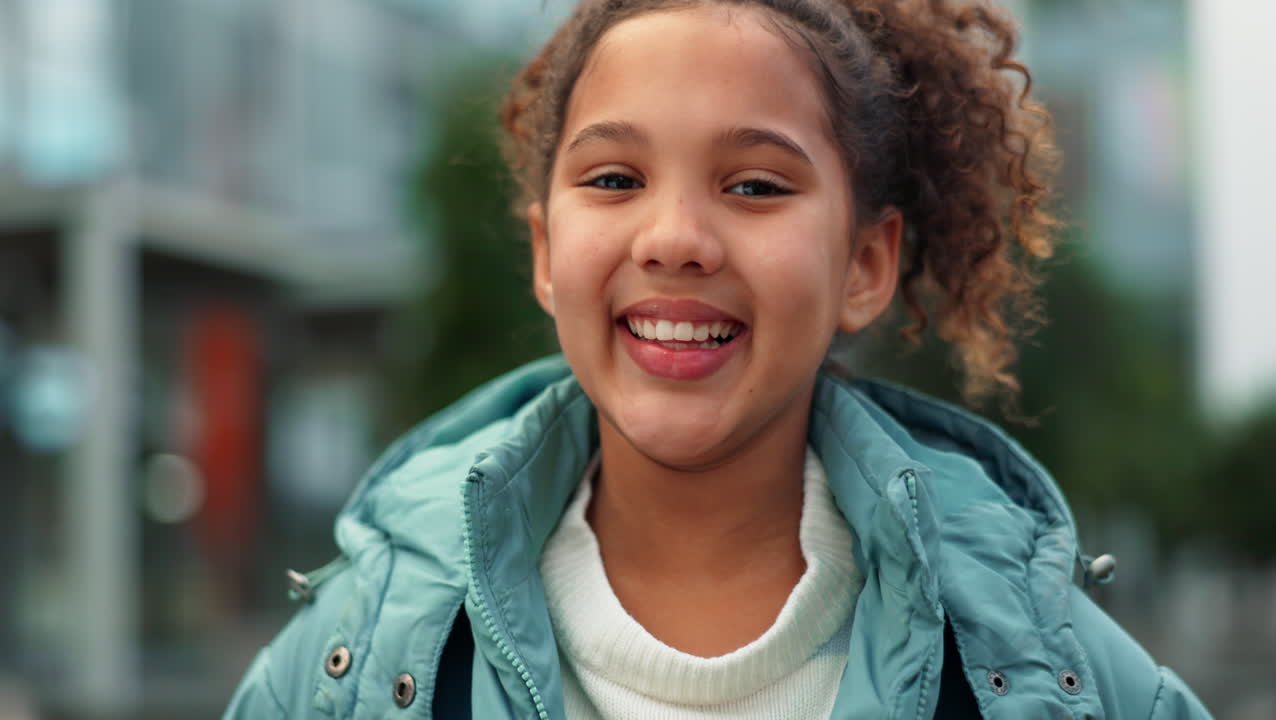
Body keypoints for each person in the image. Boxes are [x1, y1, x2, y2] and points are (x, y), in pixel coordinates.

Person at [225, 0, 1211, 717]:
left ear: (865, 262)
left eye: (751, 185)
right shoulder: (344, 669)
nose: (673, 238)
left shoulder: (1056, 681)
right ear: (542, 255)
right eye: (614, 177)